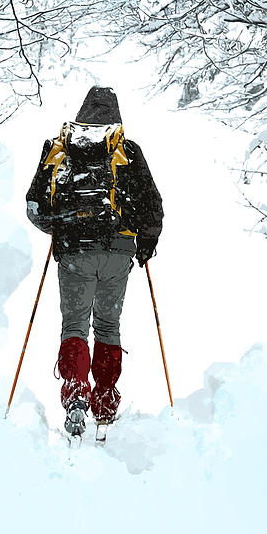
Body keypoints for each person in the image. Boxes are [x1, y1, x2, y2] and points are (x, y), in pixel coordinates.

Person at [25, 86, 163, 436]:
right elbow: (153, 206)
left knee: (74, 326)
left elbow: (34, 205)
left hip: (74, 254)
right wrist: (145, 246)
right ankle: (104, 398)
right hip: (118, 253)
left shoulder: (60, 149)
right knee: (108, 325)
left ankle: (75, 395)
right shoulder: (127, 150)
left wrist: (59, 228)